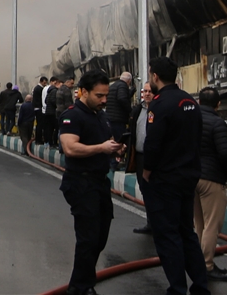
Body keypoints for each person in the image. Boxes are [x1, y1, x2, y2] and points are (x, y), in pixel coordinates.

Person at [142, 56, 209, 295]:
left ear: (155, 76)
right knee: (186, 232)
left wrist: (147, 171)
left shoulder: (159, 105)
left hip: (165, 179)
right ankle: (200, 286)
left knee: (167, 235)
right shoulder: (189, 100)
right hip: (188, 176)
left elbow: (153, 143)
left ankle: (178, 289)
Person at [59, 70, 122, 295]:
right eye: (99, 96)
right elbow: (70, 147)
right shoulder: (72, 116)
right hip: (81, 183)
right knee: (88, 238)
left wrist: (115, 148)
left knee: (100, 237)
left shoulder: (100, 116)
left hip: (99, 183)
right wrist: (101, 148)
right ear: (84, 92)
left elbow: (106, 141)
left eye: (106, 95)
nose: (104, 100)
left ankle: (84, 281)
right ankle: (80, 287)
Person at [194, 87, 227, 282]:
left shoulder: (190, 120)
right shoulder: (218, 123)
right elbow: (225, 153)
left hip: (192, 177)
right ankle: (207, 265)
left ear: (199, 102)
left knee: (199, 224)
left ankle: (199, 263)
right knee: (212, 224)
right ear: (218, 104)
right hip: (211, 178)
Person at [127, 82, 155, 235]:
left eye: (150, 91)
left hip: (155, 157)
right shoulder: (138, 110)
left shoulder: (159, 108)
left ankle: (160, 223)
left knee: (156, 191)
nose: (147, 94)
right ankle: (151, 222)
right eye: (145, 91)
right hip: (140, 156)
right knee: (145, 189)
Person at [106, 72, 133, 142]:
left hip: (109, 118)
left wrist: (130, 93)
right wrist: (130, 111)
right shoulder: (123, 86)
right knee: (120, 141)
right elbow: (122, 98)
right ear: (129, 81)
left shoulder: (113, 86)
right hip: (119, 119)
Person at [33, 77, 49, 144]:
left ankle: (38, 139)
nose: (45, 84)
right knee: (40, 124)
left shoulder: (37, 88)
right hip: (39, 108)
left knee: (39, 124)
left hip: (37, 108)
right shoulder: (39, 89)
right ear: (41, 81)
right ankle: (39, 139)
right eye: (44, 82)